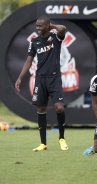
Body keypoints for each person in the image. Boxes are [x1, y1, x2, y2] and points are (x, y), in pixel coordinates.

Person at [15, 16, 68, 151]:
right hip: (40, 79)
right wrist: (20, 78)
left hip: (54, 78)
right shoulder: (34, 41)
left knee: (59, 108)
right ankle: (43, 144)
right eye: (36, 26)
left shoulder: (56, 38)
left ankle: (61, 138)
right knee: (41, 109)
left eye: (40, 26)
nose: (37, 28)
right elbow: (28, 61)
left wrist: (53, 26)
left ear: (47, 26)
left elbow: (63, 29)